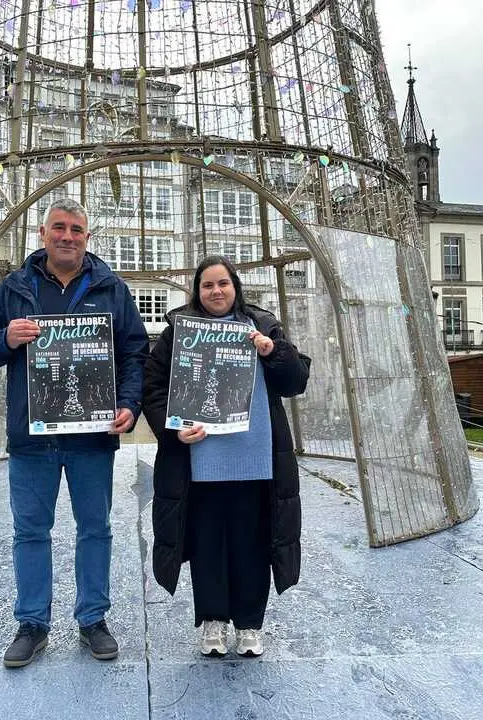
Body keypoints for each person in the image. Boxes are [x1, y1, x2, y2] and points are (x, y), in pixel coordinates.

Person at [0, 198, 149, 668]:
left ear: (87, 238)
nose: (67, 236)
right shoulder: (15, 287)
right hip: (32, 438)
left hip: (92, 437)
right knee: (30, 531)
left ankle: (93, 619)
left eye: (76, 230)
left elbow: (135, 352)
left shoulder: (112, 289)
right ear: (43, 233)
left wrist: (129, 404)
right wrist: (5, 339)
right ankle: (32, 623)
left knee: (96, 528)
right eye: (59, 228)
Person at [142, 255, 310, 658]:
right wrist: (172, 427)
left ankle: (250, 624)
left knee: (252, 546)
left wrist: (273, 352)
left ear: (235, 288)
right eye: (207, 285)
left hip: (256, 460)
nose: (216, 291)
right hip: (200, 461)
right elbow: (152, 387)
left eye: (223, 284)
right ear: (197, 292)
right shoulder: (178, 332)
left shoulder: (262, 326)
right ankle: (212, 622)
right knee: (207, 546)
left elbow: (296, 381)